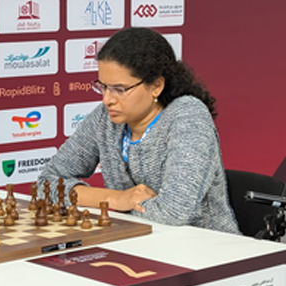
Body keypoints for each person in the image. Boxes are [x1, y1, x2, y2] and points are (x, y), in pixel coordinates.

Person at [38, 27, 240, 234]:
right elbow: (46, 184)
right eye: (103, 87)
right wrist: (116, 199)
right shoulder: (104, 118)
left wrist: (110, 206)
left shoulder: (188, 115)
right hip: (134, 242)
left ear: (156, 86)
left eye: (119, 89)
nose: (107, 99)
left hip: (206, 246)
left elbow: (173, 214)